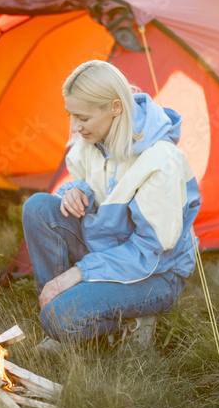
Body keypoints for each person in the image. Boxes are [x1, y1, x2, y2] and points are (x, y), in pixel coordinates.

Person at [22, 60, 201, 349]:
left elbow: (150, 253)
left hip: (156, 273)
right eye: (71, 115)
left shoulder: (160, 161)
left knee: (61, 318)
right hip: (107, 251)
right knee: (38, 207)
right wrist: (75, 191)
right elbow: (90, 182)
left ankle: (129, 319)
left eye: (82, 118)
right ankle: (59, 312)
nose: (75, 127)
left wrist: (79, 272)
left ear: (115, 108)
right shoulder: (93, 138)